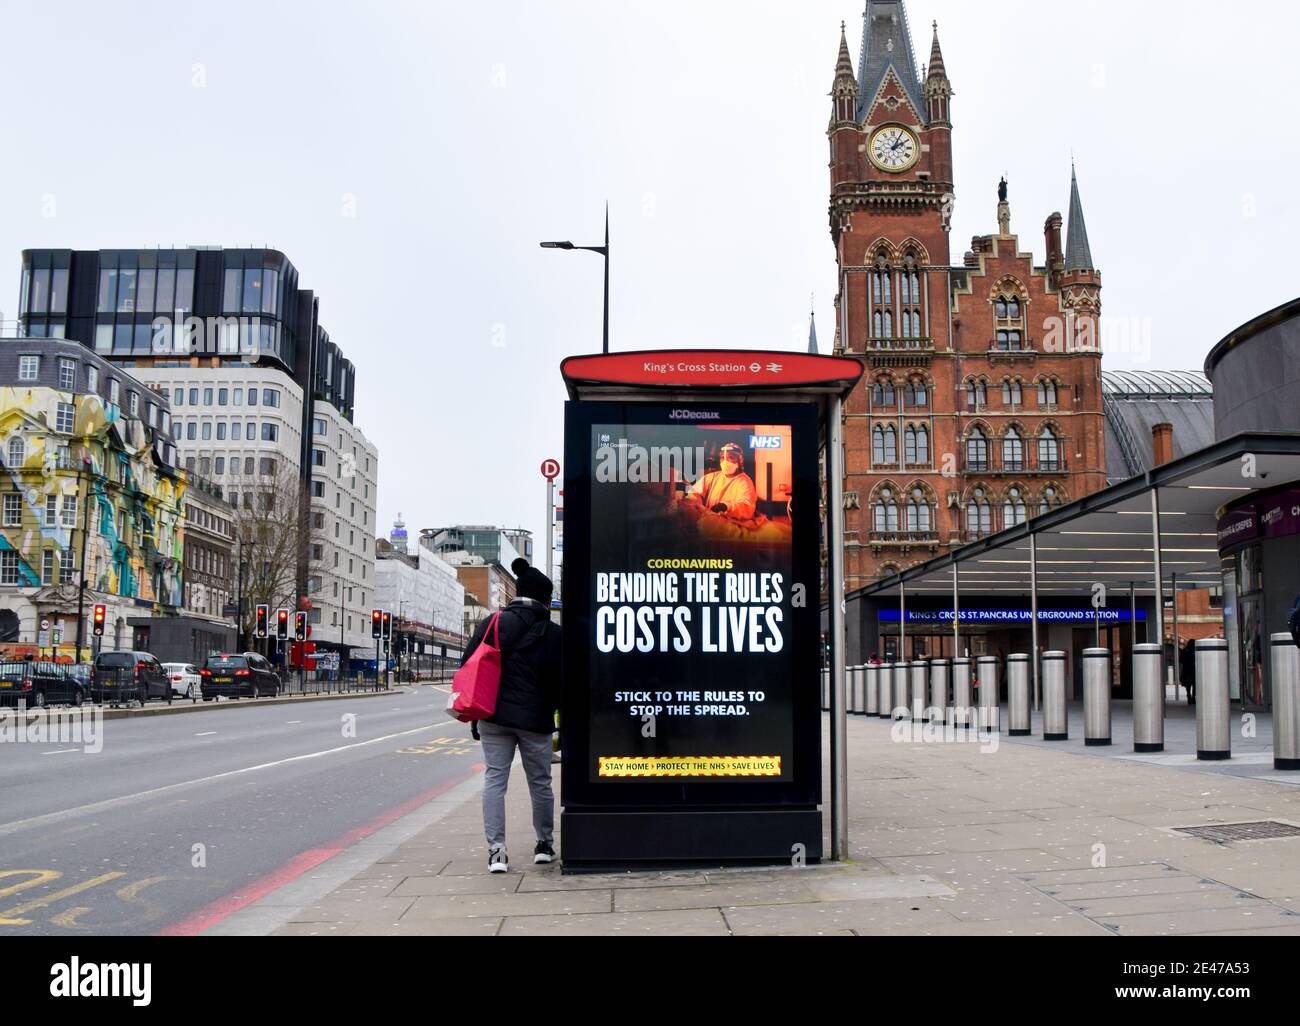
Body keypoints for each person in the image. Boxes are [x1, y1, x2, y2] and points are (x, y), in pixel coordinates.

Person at [463, 558, 562, 874]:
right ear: (546, 599)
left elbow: (468, 664)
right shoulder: (553, 633)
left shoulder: (492, 623)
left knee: (494, 780)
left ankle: (497, 852)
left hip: (493, 716)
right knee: (540, 783)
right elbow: (564, 682)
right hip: (535, 719)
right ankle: (544, 845)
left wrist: (476, 715)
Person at [679, 443, 758, 523]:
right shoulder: (712, 477)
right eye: (722, 458)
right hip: (709, 518)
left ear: (740, 460)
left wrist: (726, 506)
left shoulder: (744, 481)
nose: (725, 462)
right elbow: (694, 492)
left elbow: (747, 507)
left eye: (731, 457)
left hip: (732, 523)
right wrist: (695, 504)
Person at [1179, 639, 1196, 706]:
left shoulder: (1184, 650)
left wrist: (1186, 663)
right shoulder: (1195, 650)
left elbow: (1180, 660)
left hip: (1186, 670)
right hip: (1194, 670)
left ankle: (1189, 694)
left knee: (1188, 684)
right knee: (1195, 684)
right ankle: (1193, 697)